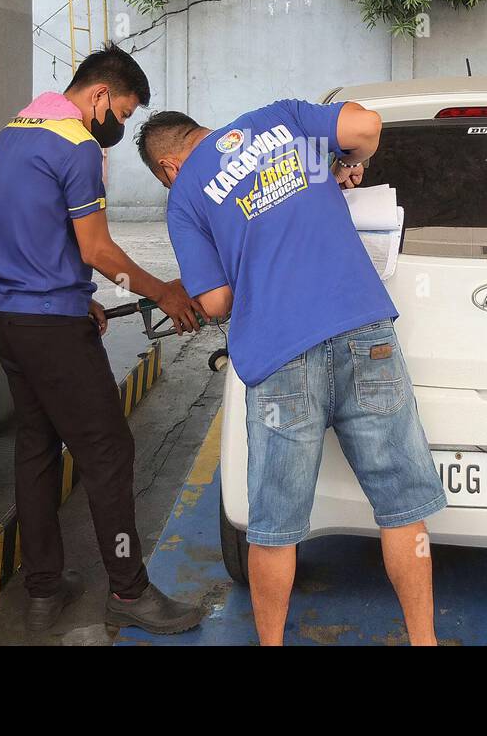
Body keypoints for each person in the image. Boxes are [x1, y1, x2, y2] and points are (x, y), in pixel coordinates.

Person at [136, 99, 447, 646]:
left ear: (168, 168)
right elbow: (366, 127)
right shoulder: (280, 118)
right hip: (364, 332)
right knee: (402, 512)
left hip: (280, 355)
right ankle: (424, 641)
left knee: (275, 531)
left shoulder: (186, 196)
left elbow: (213, 300)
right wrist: (351, 164)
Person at [0, 45, 206, 635]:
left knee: (36, 448)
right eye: (125, 113)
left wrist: (77, 297)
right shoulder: (78, 145)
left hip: (8, 316)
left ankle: (43, 589)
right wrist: (162, 291)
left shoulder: (15, 128)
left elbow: (25, 226)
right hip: (52, 329)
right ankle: (129, 592)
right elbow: (98, 250)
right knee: (108, 453)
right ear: (100, 95)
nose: (121, 126)